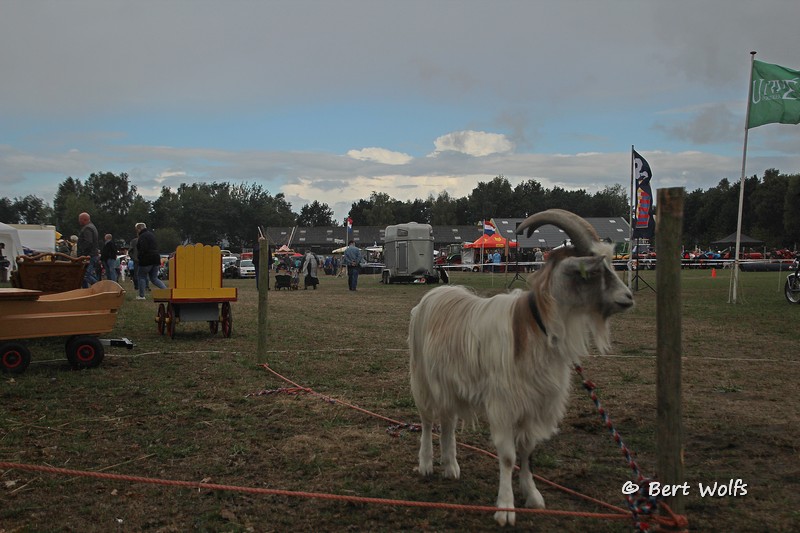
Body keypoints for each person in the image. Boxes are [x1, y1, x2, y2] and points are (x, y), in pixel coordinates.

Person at [134, 222, 166, 300]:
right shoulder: (151, 235)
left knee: (141, 276)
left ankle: (141, 295)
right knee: (154, 278)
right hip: (156, 258)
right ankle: (166, 291)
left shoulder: (142, 236)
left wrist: (139, 257)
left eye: (136, 230)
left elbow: (143, 249)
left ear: (139, 229)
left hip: (146, 259)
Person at [77, 212, 99, 287]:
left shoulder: (87, 228)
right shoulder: (92, 227)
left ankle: (99, 287)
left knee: (85, 274)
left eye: (80, 219)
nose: (79, 221)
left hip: (89, 255)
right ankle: (86, 290)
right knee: (83, 275)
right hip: (92, 254)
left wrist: (83, 253)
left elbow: (88, 242)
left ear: (84, 219)